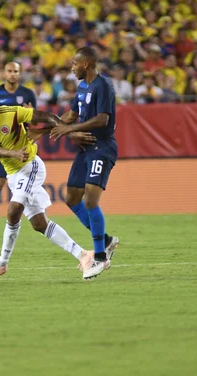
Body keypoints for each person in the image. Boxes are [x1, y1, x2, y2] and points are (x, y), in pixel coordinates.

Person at [0, 92, 100, 282]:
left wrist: (69, 131)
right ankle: (84, 255)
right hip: (13, 174)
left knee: (13, 210)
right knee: (39, 224)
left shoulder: (12, 113)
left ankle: (1, 264)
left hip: (30, 167)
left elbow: (46, 117)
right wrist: (13, 153)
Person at [49, 47, 120, 280]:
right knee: (71, 198)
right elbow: (70, 116)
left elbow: (102, 119)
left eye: (74, 64)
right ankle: (107, 240)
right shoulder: (81, 87)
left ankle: (100, 257)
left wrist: (70, 130)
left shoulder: (103, 86)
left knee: (90, 199)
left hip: (102, 148)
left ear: (86, 65)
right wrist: (47, 129)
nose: (72, 68)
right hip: (85, 149)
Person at [0, 62, 37, 240]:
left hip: (22, 147)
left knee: (26, 185)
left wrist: (31, 115)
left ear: (20, 74)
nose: (12, 74)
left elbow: (34, 121)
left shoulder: (27, 94)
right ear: (3, 73)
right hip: (1, 147)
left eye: (16, 71)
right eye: (10, 71)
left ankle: (33, 220)